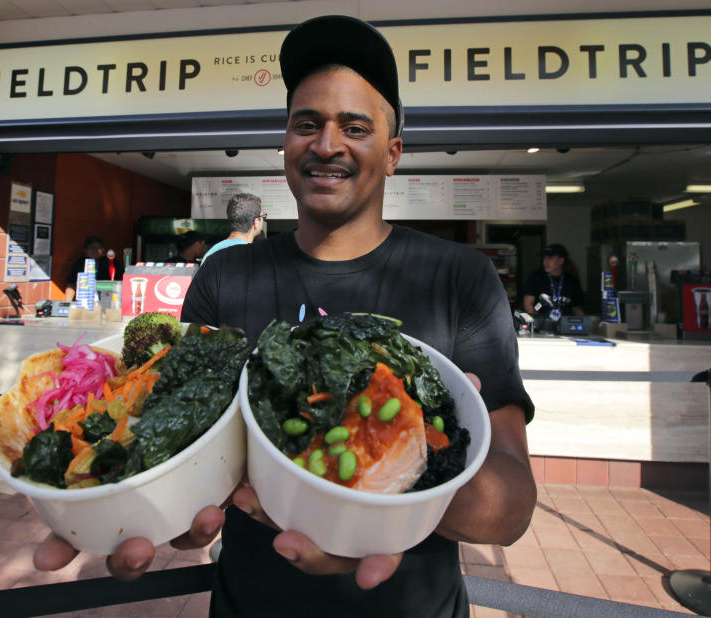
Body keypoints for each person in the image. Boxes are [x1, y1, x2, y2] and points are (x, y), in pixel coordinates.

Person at [34, 15, 536, 618]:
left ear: (394, 153)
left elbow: (512, 510)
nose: (328, 144)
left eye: (355, 127)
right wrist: (136, 503)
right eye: (308, 125)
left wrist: (404, 469)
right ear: (285, 146)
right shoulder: (226, 277)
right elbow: (191, 447)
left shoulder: (460, 277)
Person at [523, 243, 586, 320]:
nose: (546, 261)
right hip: (542, 325)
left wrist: (582, 322)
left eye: (550, 258)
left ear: (561, 260)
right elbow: (528, 304)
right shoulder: (536, 276)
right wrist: (536, 322)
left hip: (565, 325)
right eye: (544, 258)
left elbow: (577, 307)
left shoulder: (571, 280)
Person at [201, 193, 266, 261]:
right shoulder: (254, 256)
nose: (263, 220)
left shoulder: (211, 253)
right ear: (256, 222)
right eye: (263, 216)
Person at [64, 236, 121, 301]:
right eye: (91, 247)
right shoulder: (80, 263)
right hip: (84, 300)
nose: (95, 250)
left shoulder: (111, 263)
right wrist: (68, 303)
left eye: (98, 247)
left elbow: (119, 284)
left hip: (106, 300)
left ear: (103, 250)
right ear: (85, 250)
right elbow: (71, 285)